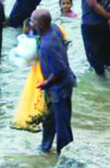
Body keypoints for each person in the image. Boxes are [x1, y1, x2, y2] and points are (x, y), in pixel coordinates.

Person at [28, 8, 76, 154]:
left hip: (59, 87)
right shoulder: (54, 29)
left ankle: (66, 153)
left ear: (41, 24)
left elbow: (59, 70)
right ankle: (45, 146)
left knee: (62, 122)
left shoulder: (47, 45)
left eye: (33, 21)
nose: (30, 23)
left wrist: (46, 83)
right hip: (60, 82)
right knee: (49, 118)